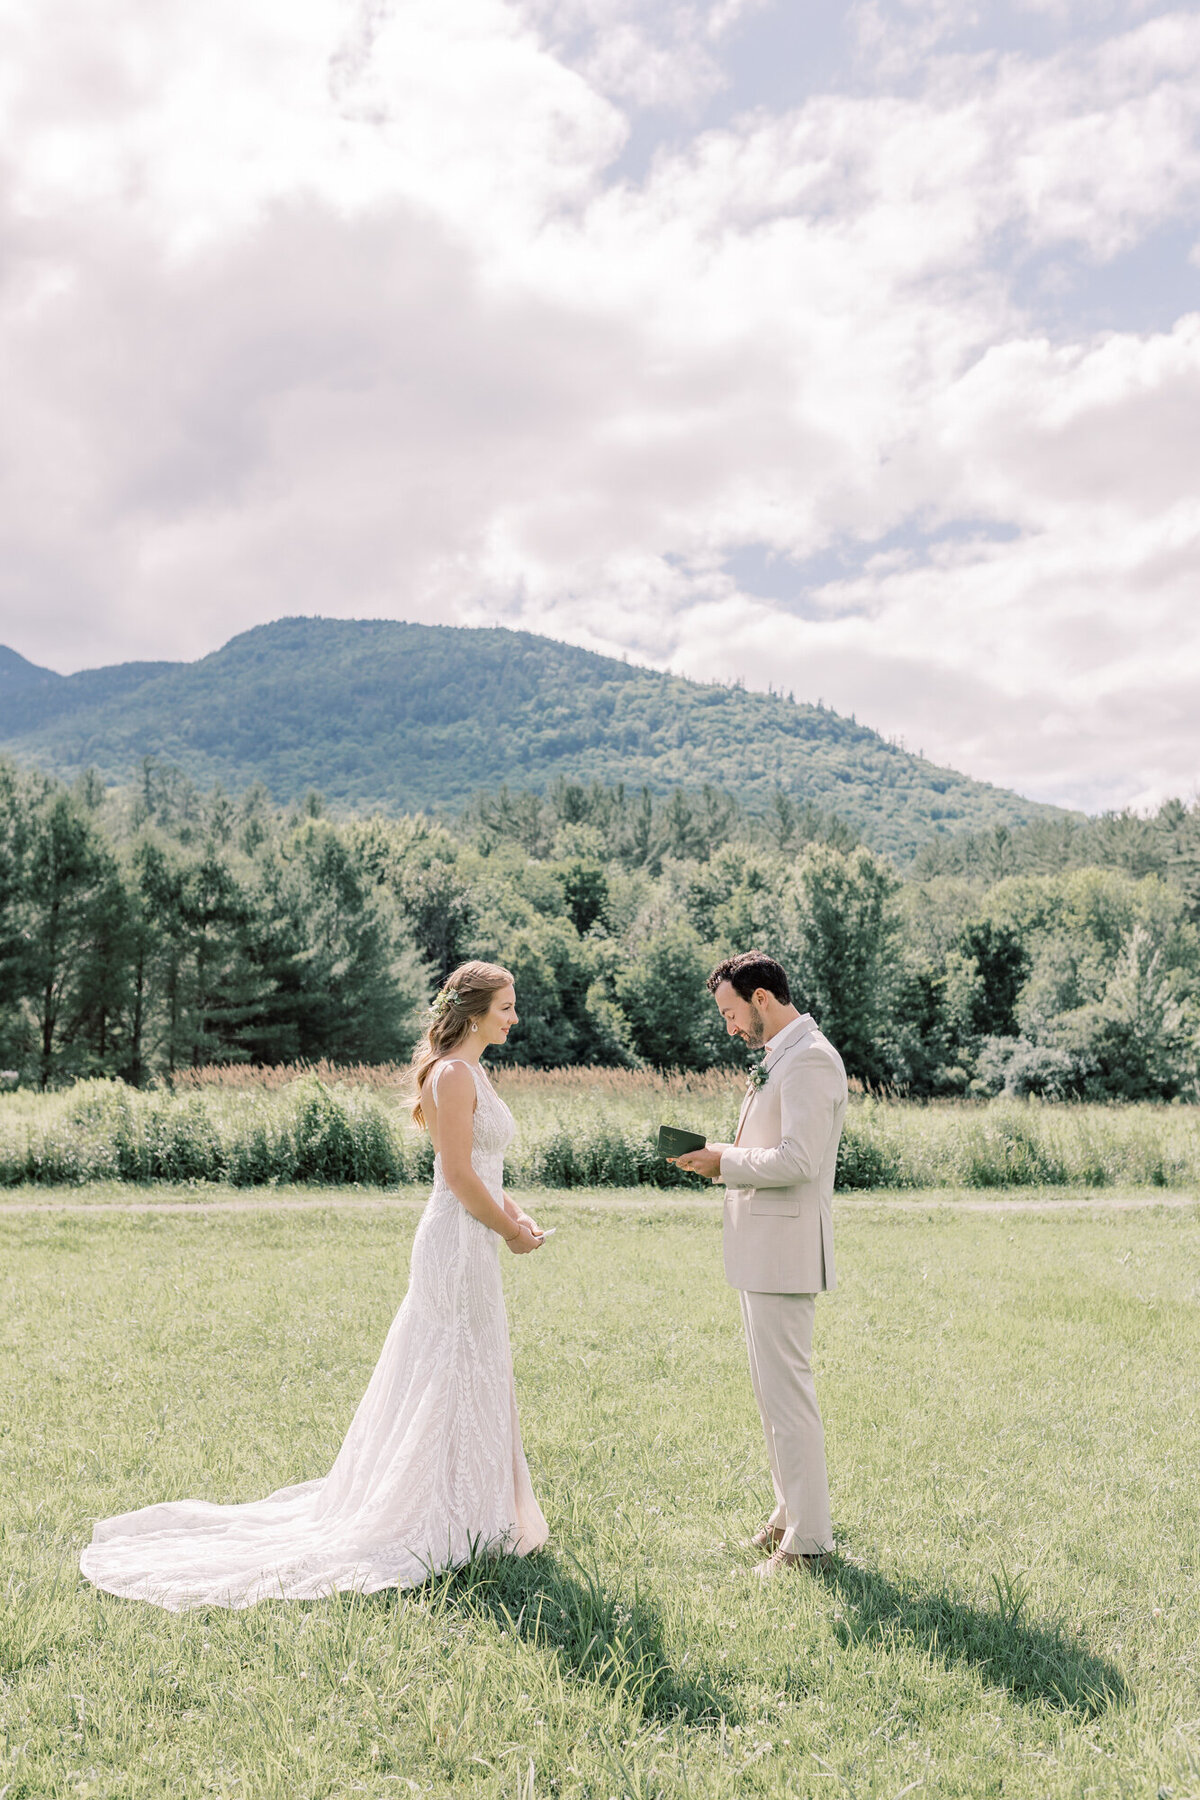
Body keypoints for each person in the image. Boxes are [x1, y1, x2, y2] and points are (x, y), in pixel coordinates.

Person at [80, 960, 549, 1610]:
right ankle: (439, 1515)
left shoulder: (470, 1070)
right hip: (458, 1239)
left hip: (473, 1232)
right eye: (506, 1006)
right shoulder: (451, 1074)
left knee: (469, 1364)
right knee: (448, 1365)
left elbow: (484, 1172)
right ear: (472, 1010)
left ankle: (472, 1504)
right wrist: (509, 1231)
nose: (514, 1017)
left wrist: (515, 1211)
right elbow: (459, 1176)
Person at [672, 951, 847, 1578]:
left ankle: (809, 1543)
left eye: (730, 1013)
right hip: (762, 1251)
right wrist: (716, 1157)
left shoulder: (811, 1061)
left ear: (762, 999)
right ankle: (786, 1514)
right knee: (770, 1397)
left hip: (787, 1253)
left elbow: (799, 1160)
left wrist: (725, 1161)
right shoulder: (780, 1059)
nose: (729, 1028)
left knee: (789, 1398)